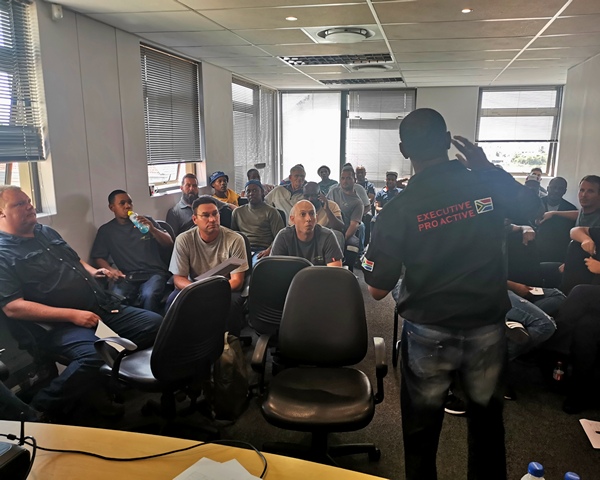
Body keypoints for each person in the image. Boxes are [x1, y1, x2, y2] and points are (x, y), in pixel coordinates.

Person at [362, 108, 540, 480]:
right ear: (447, 141)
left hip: (428, 330)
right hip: (486, 325)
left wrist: (369, 257)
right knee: (487, 426)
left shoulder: (398, 208)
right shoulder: (485, 186)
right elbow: (532, 209)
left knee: (421, 432)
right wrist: (487, 167)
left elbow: (377, 289)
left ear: (403, 150)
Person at [0, 186, 162, 417]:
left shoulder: (46, 232)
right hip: (61, 326)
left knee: (156, 325)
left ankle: (105, 385)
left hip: (99, 308)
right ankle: (40, 410)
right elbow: (13, 307)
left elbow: (75, 262)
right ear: (1, 213)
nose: (29, 207)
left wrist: (94, 272)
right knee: (92, 357)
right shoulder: (3, 253)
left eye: (29, 201)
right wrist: (72, 315)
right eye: (19, 204)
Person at [168, 196, 248, 335]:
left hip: (224, 287)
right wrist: (198, 291)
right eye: (205, 215)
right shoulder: (184, 240)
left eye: (215, 214)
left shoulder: (235, 240)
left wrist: (211, 291)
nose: (212, 219)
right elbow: (179, 278)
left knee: (229, 306)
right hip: (194, 285)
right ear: (195, 219)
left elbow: (237, 281)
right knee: (172, 302)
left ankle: (229, 342)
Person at [91, 190, 172, 313]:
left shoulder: (146, 221)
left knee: (149, 296)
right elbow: (98, 257)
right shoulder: (106, 231)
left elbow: (169, 243)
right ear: (112, 207)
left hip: (153, 273)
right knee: (116, 299)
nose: (127, 206)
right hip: (127, 276)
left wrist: (153, 229)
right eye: (122, 203)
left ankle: (153, 324)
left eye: (130, 202)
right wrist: (111, 269)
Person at [271, 200, 342, 267]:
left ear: (316, 218)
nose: (308, 219)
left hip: (321, 276)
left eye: (312, 214)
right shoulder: (283, 237)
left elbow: (335, 272)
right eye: (303, 214)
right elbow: (274, 269)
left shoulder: (327, 236)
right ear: (292, 219)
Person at [231, 180, 284, 264]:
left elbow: (280, 237)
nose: (251, 193)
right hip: (242, 249)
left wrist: (269, 250)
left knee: (256, 267)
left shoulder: (271, 212)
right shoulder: (237, 212)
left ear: (262, 192)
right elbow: (233, 236)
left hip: (263, 250)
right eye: (248, 191)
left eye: (255, 190)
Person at [327, 166, 365, 268]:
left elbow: (354, 225)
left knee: (352, 243)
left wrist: (343, 238)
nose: (345, 181)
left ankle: (344, 270)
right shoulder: (333, 192)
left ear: (354, 180)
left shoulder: (358, 203)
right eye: (343, 178)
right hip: (327, 228)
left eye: (348, 178)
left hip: (344, 232)